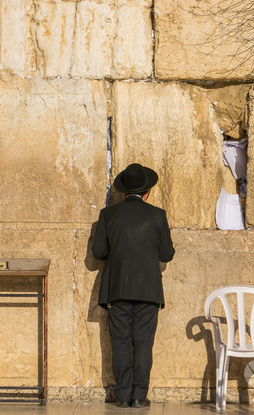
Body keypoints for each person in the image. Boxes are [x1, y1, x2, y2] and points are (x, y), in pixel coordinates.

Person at [92, 162, 175, 408]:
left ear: (122, 192)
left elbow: (99, 252)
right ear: (147, 191)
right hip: (148, 290)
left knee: (120, 343)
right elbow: (167, 254)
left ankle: (123, 395)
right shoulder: (157, 215)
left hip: (117, 289)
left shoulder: (108, 215)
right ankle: (140, 396)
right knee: (143, 344)